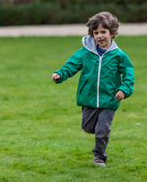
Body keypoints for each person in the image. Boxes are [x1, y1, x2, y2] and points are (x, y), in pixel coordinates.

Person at [52, 12, 135, 167]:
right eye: (96, 33)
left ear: (112, 33)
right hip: (88, 97)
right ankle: (99, 133)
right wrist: (60, 74)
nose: (99, 36)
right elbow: (71, 65)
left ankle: (100, 157)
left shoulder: (119, 55)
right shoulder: (85, 52)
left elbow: (129, 75)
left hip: (110, 99)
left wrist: (124, 89)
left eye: (103, 32)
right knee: (88, 127)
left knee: (102, 129)